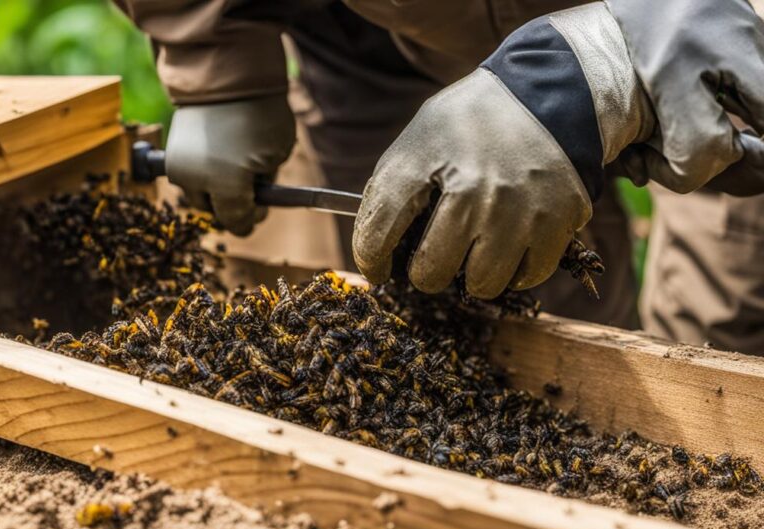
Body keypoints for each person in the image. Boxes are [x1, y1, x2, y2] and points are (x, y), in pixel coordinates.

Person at [113, 0, 764, 351]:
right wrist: (212, 57)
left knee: (724, 336)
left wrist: (617, 54)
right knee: (448, 298)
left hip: (707, 35)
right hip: (376, 34)